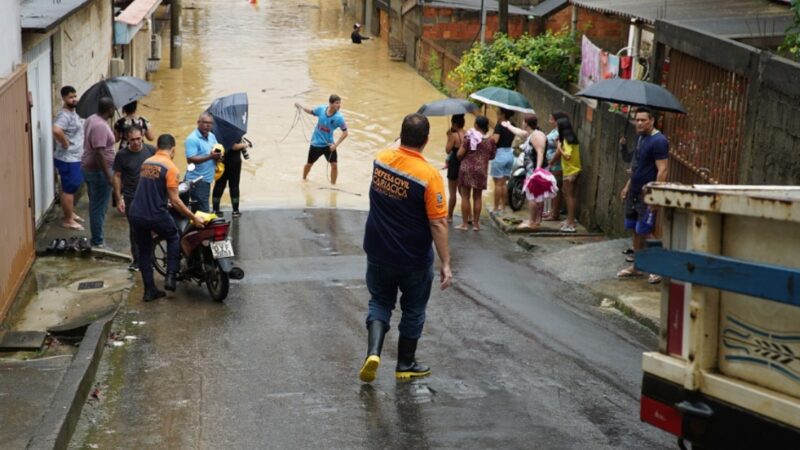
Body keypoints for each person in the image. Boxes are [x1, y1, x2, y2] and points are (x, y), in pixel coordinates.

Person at [359, 113, 452, 383]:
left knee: (379, 301)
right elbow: (438, 224)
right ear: (426, 140)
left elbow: (393, 146)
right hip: (412, 257)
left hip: (377, 249)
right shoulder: (429, 176)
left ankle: (373, 354)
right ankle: (405, 363)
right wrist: (445, 262)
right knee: (413, 309)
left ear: (401, 135)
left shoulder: (381, 159)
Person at [129, 134, 207, 302]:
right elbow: (176, 200)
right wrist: (193, 217)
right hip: (155, 214)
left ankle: (149, 291)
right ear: (172, 149)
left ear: (158, 147)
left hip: (136, 213)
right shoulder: (171, 168)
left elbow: (151, 187)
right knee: (173, 236)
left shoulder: (147, 162)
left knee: (144, 251)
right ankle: (171, 275)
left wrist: (164, 199)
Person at [617, 107, 669, 284]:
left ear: (652, 120)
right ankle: (638, 266)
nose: (638, 123)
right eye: (637, 120)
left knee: (645, 230)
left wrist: (655, 195)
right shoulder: (641, 138)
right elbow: (636, 167)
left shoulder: (659, 141)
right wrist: (627, 186)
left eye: (643, 120)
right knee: (634, 228)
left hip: (647, 194)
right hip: (634, 191)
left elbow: (663, 170)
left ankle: (658, 268)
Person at [113, 125, 156, 271]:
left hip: (149, 195)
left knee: (151, 227)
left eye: (138, 139)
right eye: (133, 140)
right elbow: (117, 176)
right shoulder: (121, 155)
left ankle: (150, 257)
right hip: (132, 196)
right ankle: (137, 259)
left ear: (143, 135)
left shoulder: (151, 150)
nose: (136, 142)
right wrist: (119, 199)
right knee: (135, 229)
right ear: (127, 139)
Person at [81, 97, 117, 247]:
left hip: (90, 169)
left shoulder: (91, 119)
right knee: (99, 207)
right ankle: (98, 241)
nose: (115, 110)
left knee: (95, 204)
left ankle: (97, 237)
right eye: (113, 108)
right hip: (99, 172)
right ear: (109, 110)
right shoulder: (100, 126)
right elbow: (99, 152)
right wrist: (108, 176)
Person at [501, 115, 548, 230]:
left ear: (526, 123)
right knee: (537, 196)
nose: (522, 123)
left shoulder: (536, 135)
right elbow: (520, 133)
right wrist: (509, 126)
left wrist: (537, 170)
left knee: (533, 196)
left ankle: (532, 222)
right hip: (533, 170)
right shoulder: (531, 134)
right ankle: (536, 221)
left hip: (535, 170)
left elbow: (540, 152)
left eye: (523, 121)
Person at [52, 85, 85, 231]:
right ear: (64, 98)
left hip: (74, 157)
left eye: (75, 96)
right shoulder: (64, 115)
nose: (74, 99)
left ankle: (70, 213)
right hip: (67, 158)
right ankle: (68, 219)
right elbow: (56, 130)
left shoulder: (73, 112)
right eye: (70, 97)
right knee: (69, 189)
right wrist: (65, 142)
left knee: (73, 185)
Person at [296, 95, 349, 184]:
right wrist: (301, 107)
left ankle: (333, 186)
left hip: (329, 145)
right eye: (337, 103)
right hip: (316, 144)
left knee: (334, 165)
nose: (339, 105)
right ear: (330, 103)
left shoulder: (339, 118)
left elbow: (345, 132)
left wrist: (335, 145)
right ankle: (304, 180)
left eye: (340, 103)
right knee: (309, 164)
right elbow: (311, 111)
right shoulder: (321, 109)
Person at [456, 115, 496, 231]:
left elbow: (459, 154)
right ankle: (476, 225)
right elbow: (492, 156)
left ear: (476, 125)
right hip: (481, 170)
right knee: (477, 197)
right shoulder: (491, 140)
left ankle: (464, 224)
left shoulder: (469, 137)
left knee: (465, 196)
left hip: (467, 169)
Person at [185, 112, 222, 212]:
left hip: (207, 180)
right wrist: (210, 156)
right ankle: (202, 227)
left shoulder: (211, 136)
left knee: (198, 211)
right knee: (203, 212)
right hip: (197, 180)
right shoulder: (192, 139)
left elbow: (216, 149)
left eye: (210, 123)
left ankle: (197, 226)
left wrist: (218, 156)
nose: (208, 125)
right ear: (198, 123)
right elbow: (190, 159)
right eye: (205, 122)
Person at [212, 138, 251, 218]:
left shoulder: (216, 132)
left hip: (221, 161)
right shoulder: (235, 132)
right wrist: (245, 145)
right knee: (234, 186)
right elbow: (233, 146)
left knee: (219, 185)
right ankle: (235, 211)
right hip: (234, 162)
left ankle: (215, 210)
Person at [556, 117, 581, 233]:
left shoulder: (566, 141)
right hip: (575, 170)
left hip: (569, 172)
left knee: (569, 196)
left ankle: (570, 223)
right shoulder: (573, 139)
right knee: (572, 196)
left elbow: (567, 156)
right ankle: (570, 220)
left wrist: (559, 148)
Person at [490, 108, 516, 214]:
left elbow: (495, 140)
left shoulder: (499, 126)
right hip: (510, 154)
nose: (497, 115)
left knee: (497, 184)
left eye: (498, 114)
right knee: (504, 183)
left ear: (503, 115)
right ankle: (503, 208)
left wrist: (489, 138)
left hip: (500, 154)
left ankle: (496, 208)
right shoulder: (512, 125)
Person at [543, 112, 568, 221]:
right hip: (552, 163)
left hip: (556, 164)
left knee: (556, 189)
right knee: (553, 188)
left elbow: (559, 150)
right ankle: (552, 212)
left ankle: (555, 214)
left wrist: (551, 162)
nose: (550, 119)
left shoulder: (560, 133)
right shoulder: (555, 131)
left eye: (551, 118)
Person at [444, 114, 466, 223]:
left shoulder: (453, 135)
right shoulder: (467, 134)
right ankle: (469, 216)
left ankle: (450, 216)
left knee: (452, 192)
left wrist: (449, 137)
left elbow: (448, 150)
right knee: (463, 193)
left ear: (455, 124)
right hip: (464, 164)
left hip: (454, 164)